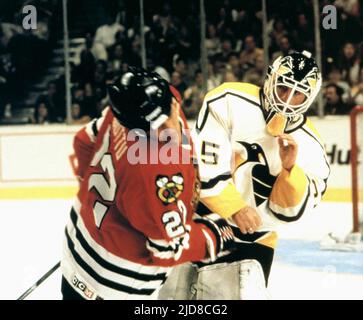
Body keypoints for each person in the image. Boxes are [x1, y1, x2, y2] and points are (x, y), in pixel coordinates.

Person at [159, 51, 330, 299]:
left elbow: (288, 214)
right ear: (271, 79)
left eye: (299, 94)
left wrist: (290, 170)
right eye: (283, 88)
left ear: (310, 98)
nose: (287, 99)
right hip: (199, 222)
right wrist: (235, 208)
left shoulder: (312, 147)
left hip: (253, 240)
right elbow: (203, 166)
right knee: (174, 299)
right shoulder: (228, 100)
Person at [60, 67, 235, 300]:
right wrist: (211, 237)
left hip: (76, 247)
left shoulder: (124, 111)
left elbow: (84, 139)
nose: (167, 130)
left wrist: (101, 197)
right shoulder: (151, 169)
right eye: (156, 128)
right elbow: (165, 249)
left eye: (166, 118)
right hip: (114, 283)